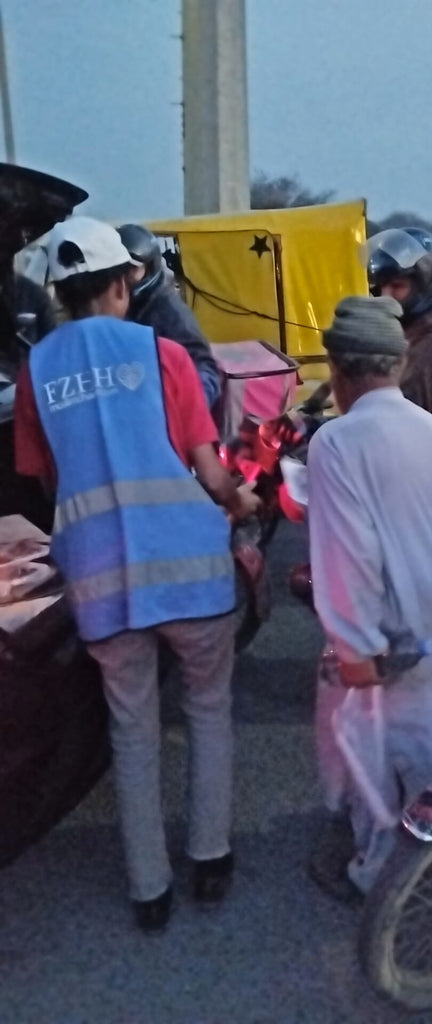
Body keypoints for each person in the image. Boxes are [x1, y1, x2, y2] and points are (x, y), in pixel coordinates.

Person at [14, 216, 260, 931]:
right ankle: (210, 859)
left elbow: (45, 478)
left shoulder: (35, 372)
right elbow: (210, 471)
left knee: (131, 728)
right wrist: (241, 500)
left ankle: (149, 890)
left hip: (100, 582)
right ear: (125, 283)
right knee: (208, 710)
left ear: (61, 294)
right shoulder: (163, 355)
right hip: (189, 572)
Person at [306, 295, 432, 898]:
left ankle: (383, 879)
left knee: (386, 756)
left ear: (338, 368)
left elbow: (346, 556)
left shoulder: (337, 442)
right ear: (398, 364)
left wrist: (354, 648)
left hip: (394, 627)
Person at [366, 227, 432, 424]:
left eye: (397, 286)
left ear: (425, 284)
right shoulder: (415, 330)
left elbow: (399, 419)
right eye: (380, 288)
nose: (386, 297)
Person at [118, 223, 221, 408]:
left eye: (131, 270)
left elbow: (206, 369)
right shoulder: (116, 306)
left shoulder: (169, 311)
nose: (122, 278)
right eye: (118, 270)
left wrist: (183, 409)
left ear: (149, 268)